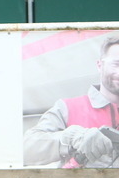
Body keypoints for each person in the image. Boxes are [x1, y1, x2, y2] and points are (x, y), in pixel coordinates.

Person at [23, 35, 119, 168]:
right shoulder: (68, 108)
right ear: (99, 65)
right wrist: (71, 139)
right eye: (116, 64)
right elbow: (26, 149)